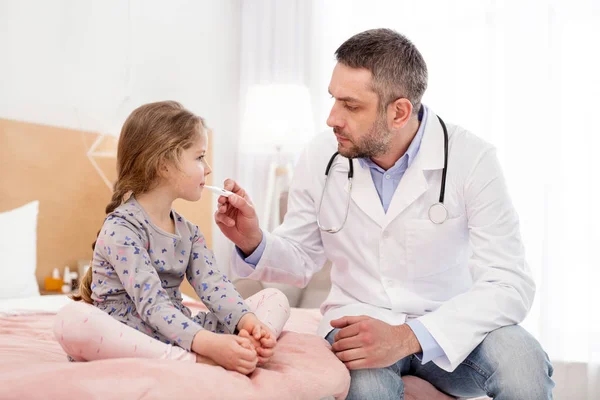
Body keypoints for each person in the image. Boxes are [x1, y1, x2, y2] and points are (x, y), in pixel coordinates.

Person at [214, 29, 554, 398]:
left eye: (351, 105)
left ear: (399, 112)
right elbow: (301, 257)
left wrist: (408, 337)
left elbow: (509, 282)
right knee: (369, 388)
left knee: (523, 363)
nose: (332, 118)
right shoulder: (321, 156)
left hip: (452, 325)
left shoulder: (472, 159)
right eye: (333, 100)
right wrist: (252, 240)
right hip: (360, 318)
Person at [54, 101, 290, 375]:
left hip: (178, 329)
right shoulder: (121, 228)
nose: (209, 168)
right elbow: (151, 303)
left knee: (274, 297)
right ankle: (197, 360)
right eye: (200, 157)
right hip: (129, 337)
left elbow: (215, 286)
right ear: (164, 165)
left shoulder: (189, 233)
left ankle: (247, 348)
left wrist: (249, 323)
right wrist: (209, 345)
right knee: (72, 320)